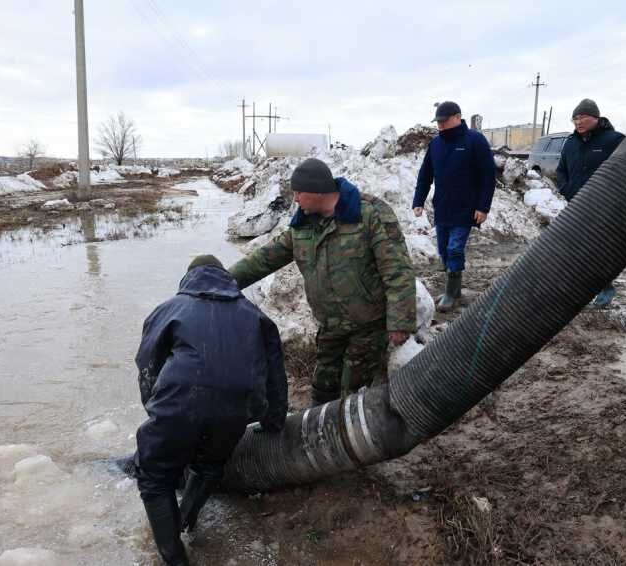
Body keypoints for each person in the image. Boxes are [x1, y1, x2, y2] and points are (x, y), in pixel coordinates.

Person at [131, 255, 288, 566]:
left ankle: (175, 556)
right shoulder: (255, 314)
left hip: (179, 405)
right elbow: (275, 374)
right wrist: (274, 420)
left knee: (154, 476)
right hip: (237, 409)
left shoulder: (169, 309)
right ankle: (187, 520)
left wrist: (155, 408)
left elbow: (147, 365)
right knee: (209, 464)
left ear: (189, 279)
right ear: (225, 278)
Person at [228, 158, 416, 407]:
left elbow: (397, 270)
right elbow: (263, 260)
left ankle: (353, 440)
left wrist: (400, 320)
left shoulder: (369, 214)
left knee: (353, 392)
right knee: (323, 389)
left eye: (299, 192)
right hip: (330, 326)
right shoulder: (302, 226)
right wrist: (219, 280)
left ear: (318, 191)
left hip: (368, 327)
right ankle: (318, 437)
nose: (295, 199)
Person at [412, 101, 497, 312]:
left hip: (466, 209)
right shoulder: (435, 144)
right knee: (443, 251)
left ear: (458, 117)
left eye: (444, 121)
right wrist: (418, 201)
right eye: (438, 122)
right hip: (443, 208)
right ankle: (455, 290)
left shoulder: (474, 141)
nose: (440, 125)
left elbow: (488, 176)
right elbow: (425, 175)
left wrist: (483, 207)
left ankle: (450, 293)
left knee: (455, 249)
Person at [556, 99, 626, 307]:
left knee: (598, 250)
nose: (578, 121)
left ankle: (606, 288)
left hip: (603, 207)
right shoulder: (571, 143)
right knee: (575, 249)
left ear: (595, 117)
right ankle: (582, 289)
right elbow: (561, 170)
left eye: (583, 117)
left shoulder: (614, 140)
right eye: (575, 118)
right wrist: (565, 189)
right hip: (576, 204)